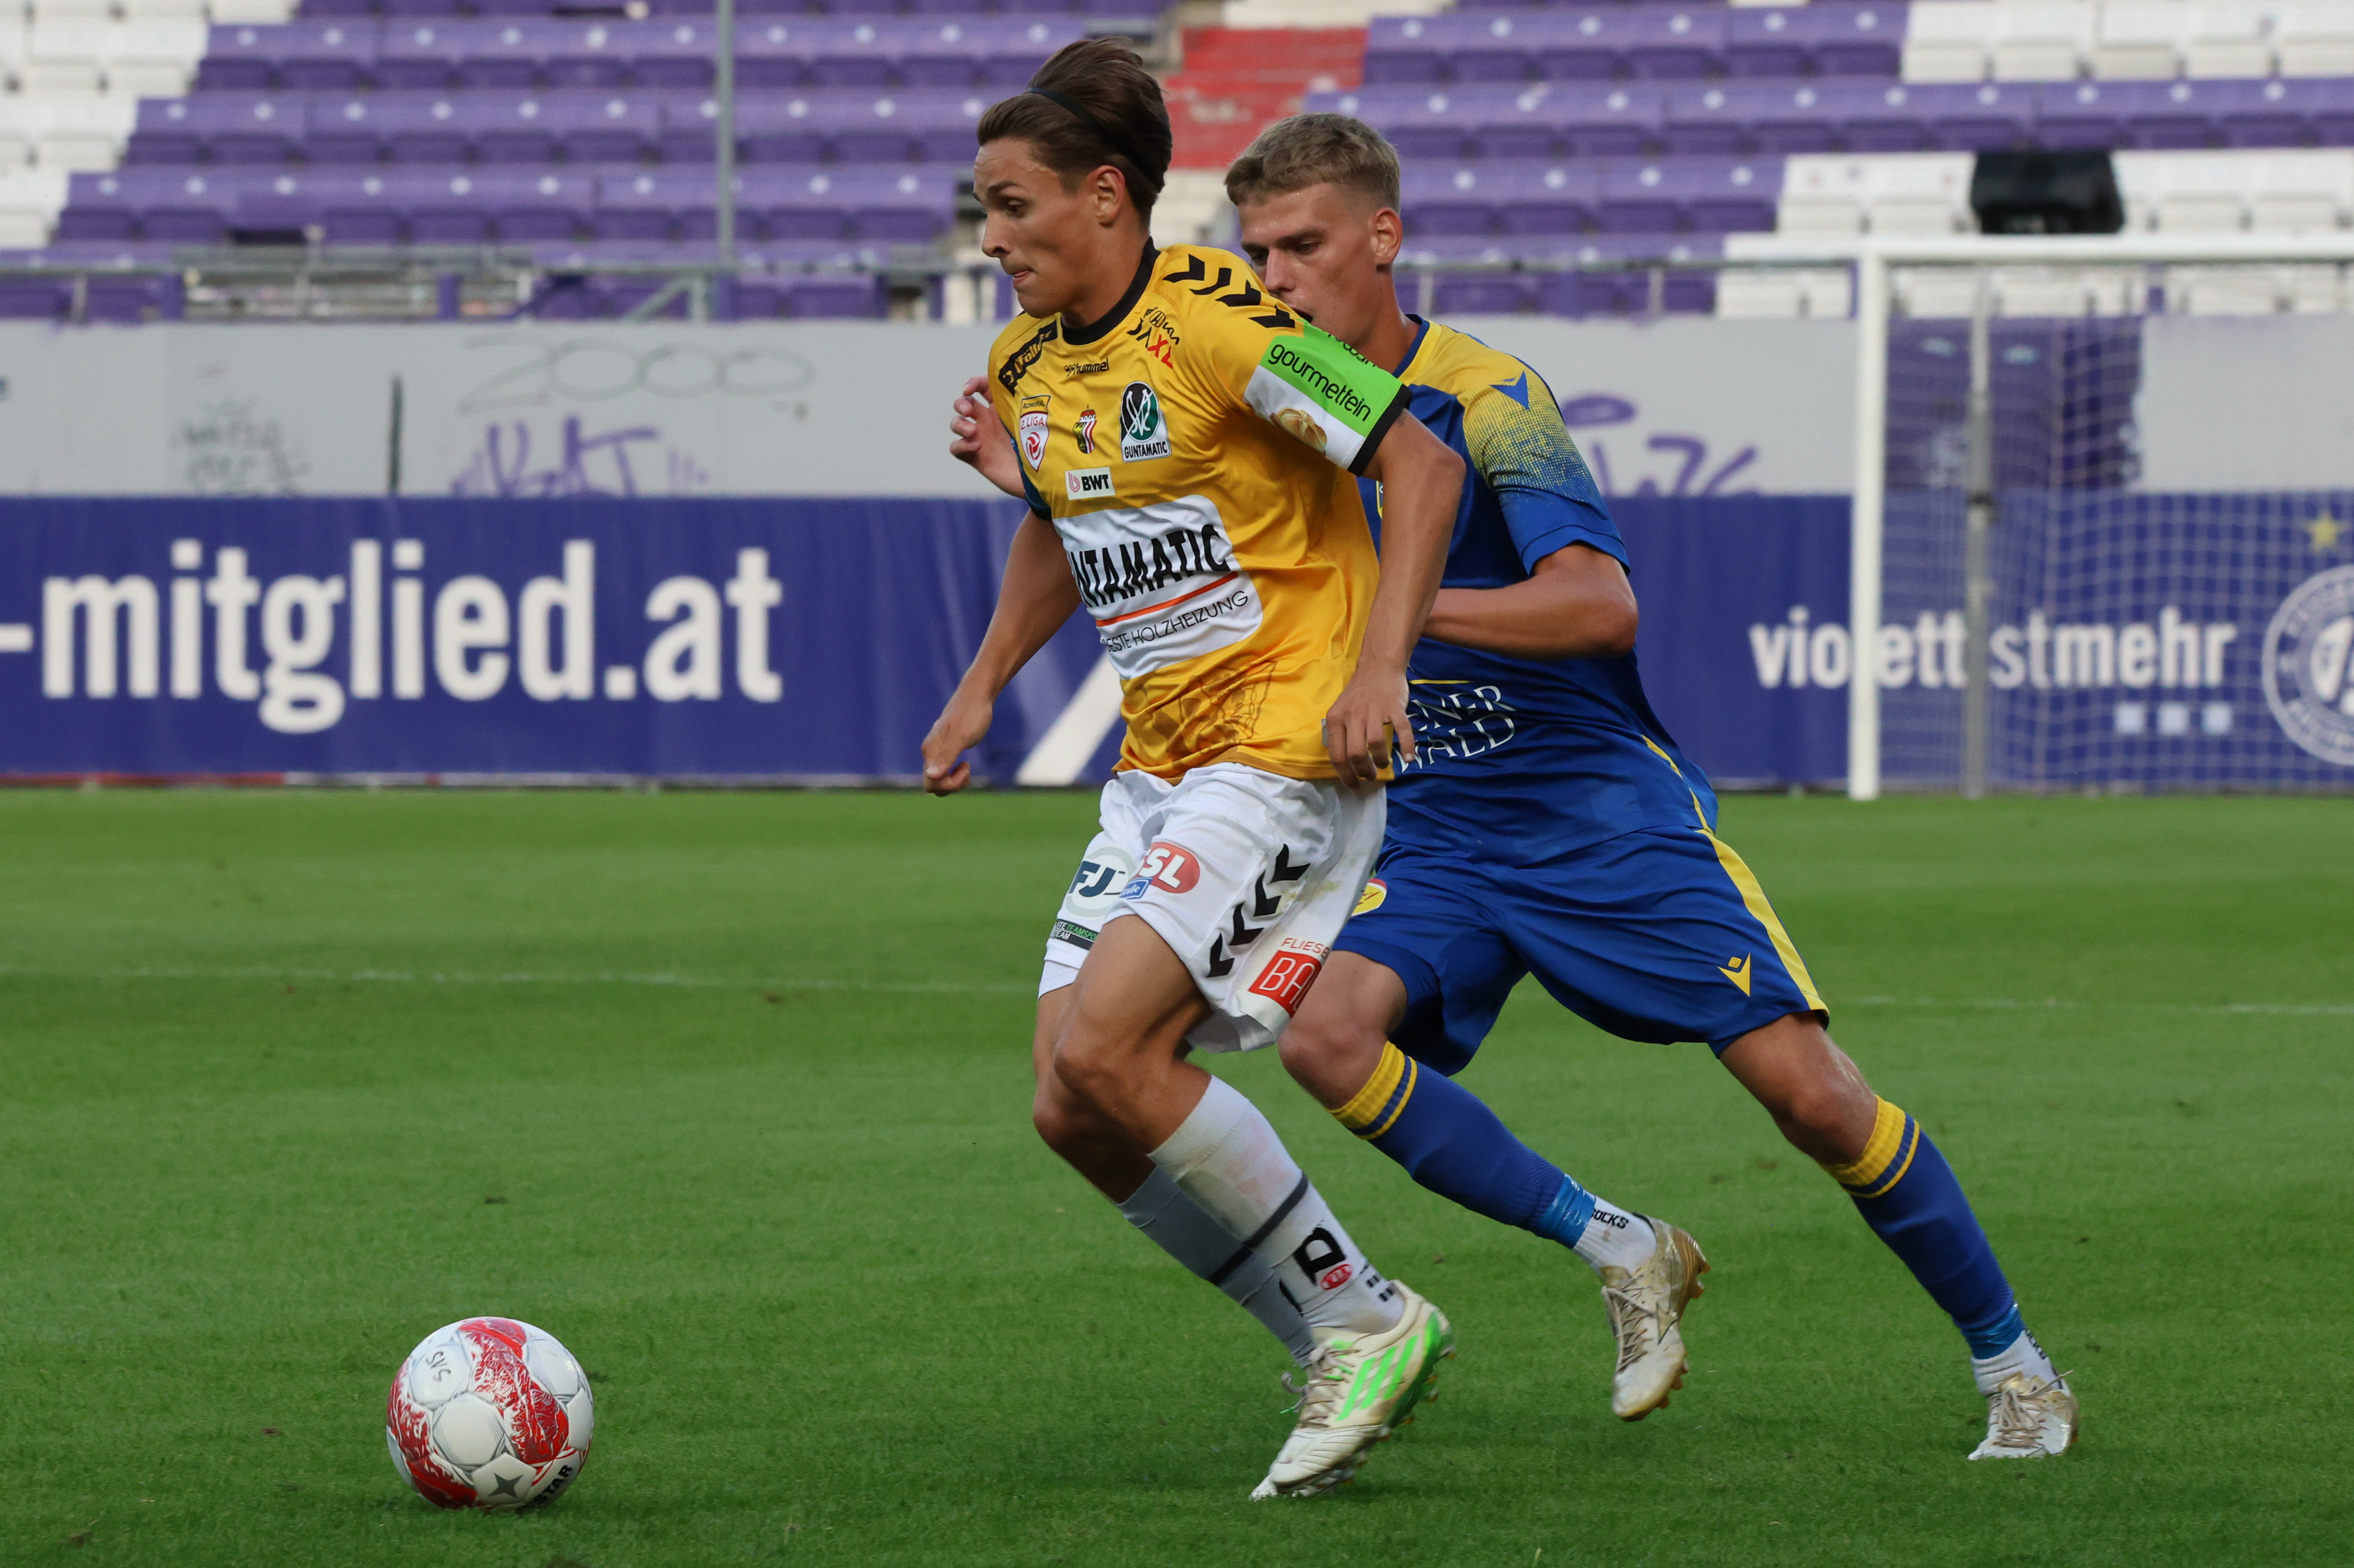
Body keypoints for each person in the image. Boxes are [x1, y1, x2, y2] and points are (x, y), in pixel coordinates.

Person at [1221, 113, 2077, 1462]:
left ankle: (2017, 1369)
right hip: (1435, 825)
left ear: (1380, 237)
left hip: (1593, 811)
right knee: (1322, 1037)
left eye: (1302, 245)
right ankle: (1621, 1244)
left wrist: (1395, 617)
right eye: (1256, 254)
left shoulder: (1487, 397)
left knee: (1811, 1098)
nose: (1276, 278)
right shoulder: (1277, 407)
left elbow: (1597, 605)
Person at [925, 44, 1473, 1499]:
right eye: (984, 209)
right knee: (1068, 1100)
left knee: (1113, 1052)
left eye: (1010, 205)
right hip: (1160, 765)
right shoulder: (1024, 362)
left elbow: (1419, 459)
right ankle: (1330, 1339)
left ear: (1104, 197)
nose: (990, 238)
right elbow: (1068, 519)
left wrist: (1381, 665)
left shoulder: (1221, 318)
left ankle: (1365, 1316)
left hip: (1283, 743)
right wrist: (982, 684)